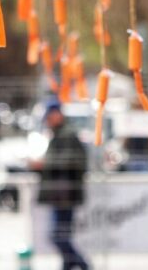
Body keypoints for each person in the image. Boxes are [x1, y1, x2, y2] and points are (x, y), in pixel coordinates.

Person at [35, 99, 89, 270]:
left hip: (65, 195)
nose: (47, 121)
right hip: (60, 194)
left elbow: (74, 162)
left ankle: (83, 265)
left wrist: (44, 165)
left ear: (57, 114)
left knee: (58, 236)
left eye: (49, 117)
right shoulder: (60, 134)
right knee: (62, 235)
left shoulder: (67, 135)